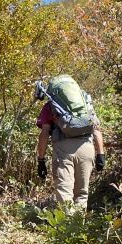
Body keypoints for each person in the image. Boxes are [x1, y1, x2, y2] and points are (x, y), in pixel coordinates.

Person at [36, 80, 105, 209]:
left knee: (64, 191)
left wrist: (41, 159)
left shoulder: (50, 106)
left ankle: (68, 226)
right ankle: (78, 226)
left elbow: (44, 134)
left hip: (64, 150)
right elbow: (96, 128)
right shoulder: (84, 104)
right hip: (87, 147)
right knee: (82, 193)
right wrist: (100, 154)